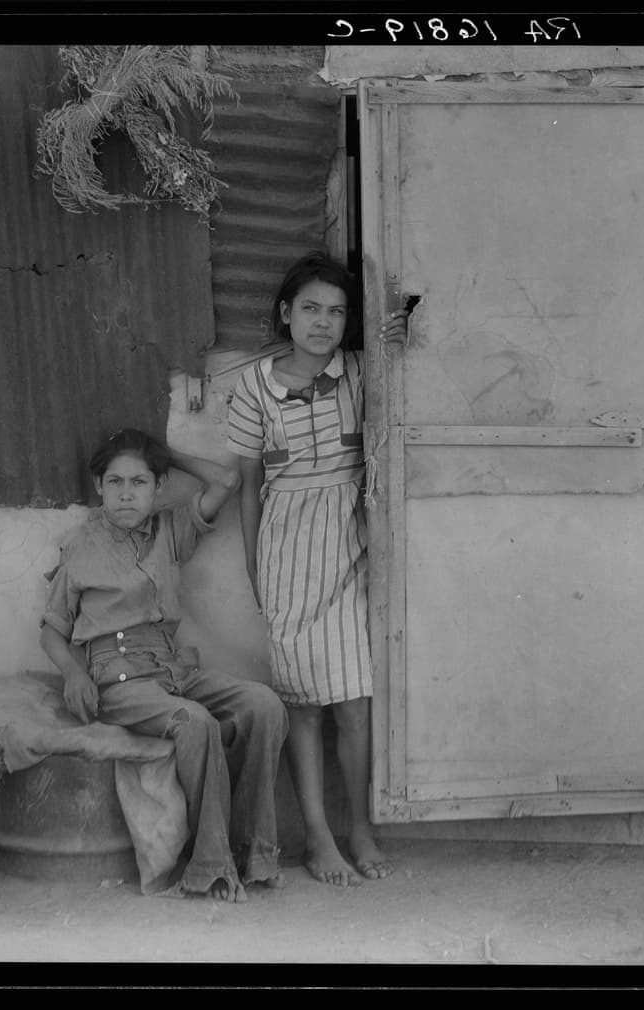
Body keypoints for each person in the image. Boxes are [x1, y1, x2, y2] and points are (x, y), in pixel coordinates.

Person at [39, 428, 289, 902]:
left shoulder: (170, 529)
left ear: (157, 487)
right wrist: (73, 672)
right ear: (99, 487)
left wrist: (165, 453)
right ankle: (210, 864)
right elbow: (52, 629)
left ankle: (256, 852)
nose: (126, 494)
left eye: (139, 482)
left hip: (175, 668)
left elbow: (227, 481)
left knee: (265, 705)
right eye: (115, 482)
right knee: (193, 722)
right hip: (120, 678)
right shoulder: (81, 547)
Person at [227, 251, 408, 887]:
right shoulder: (252, 387)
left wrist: (398, 335)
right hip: (286, 551)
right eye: (310, 308)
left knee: (354, 703)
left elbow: (410, 361)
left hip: (353, 540)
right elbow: (249, 486)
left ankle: (360, 828)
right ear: (286, 313)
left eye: (336, 311)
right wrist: (255, 567)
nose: (323, 322)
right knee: (302, 704)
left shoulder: (362, 373)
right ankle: (317, 837)